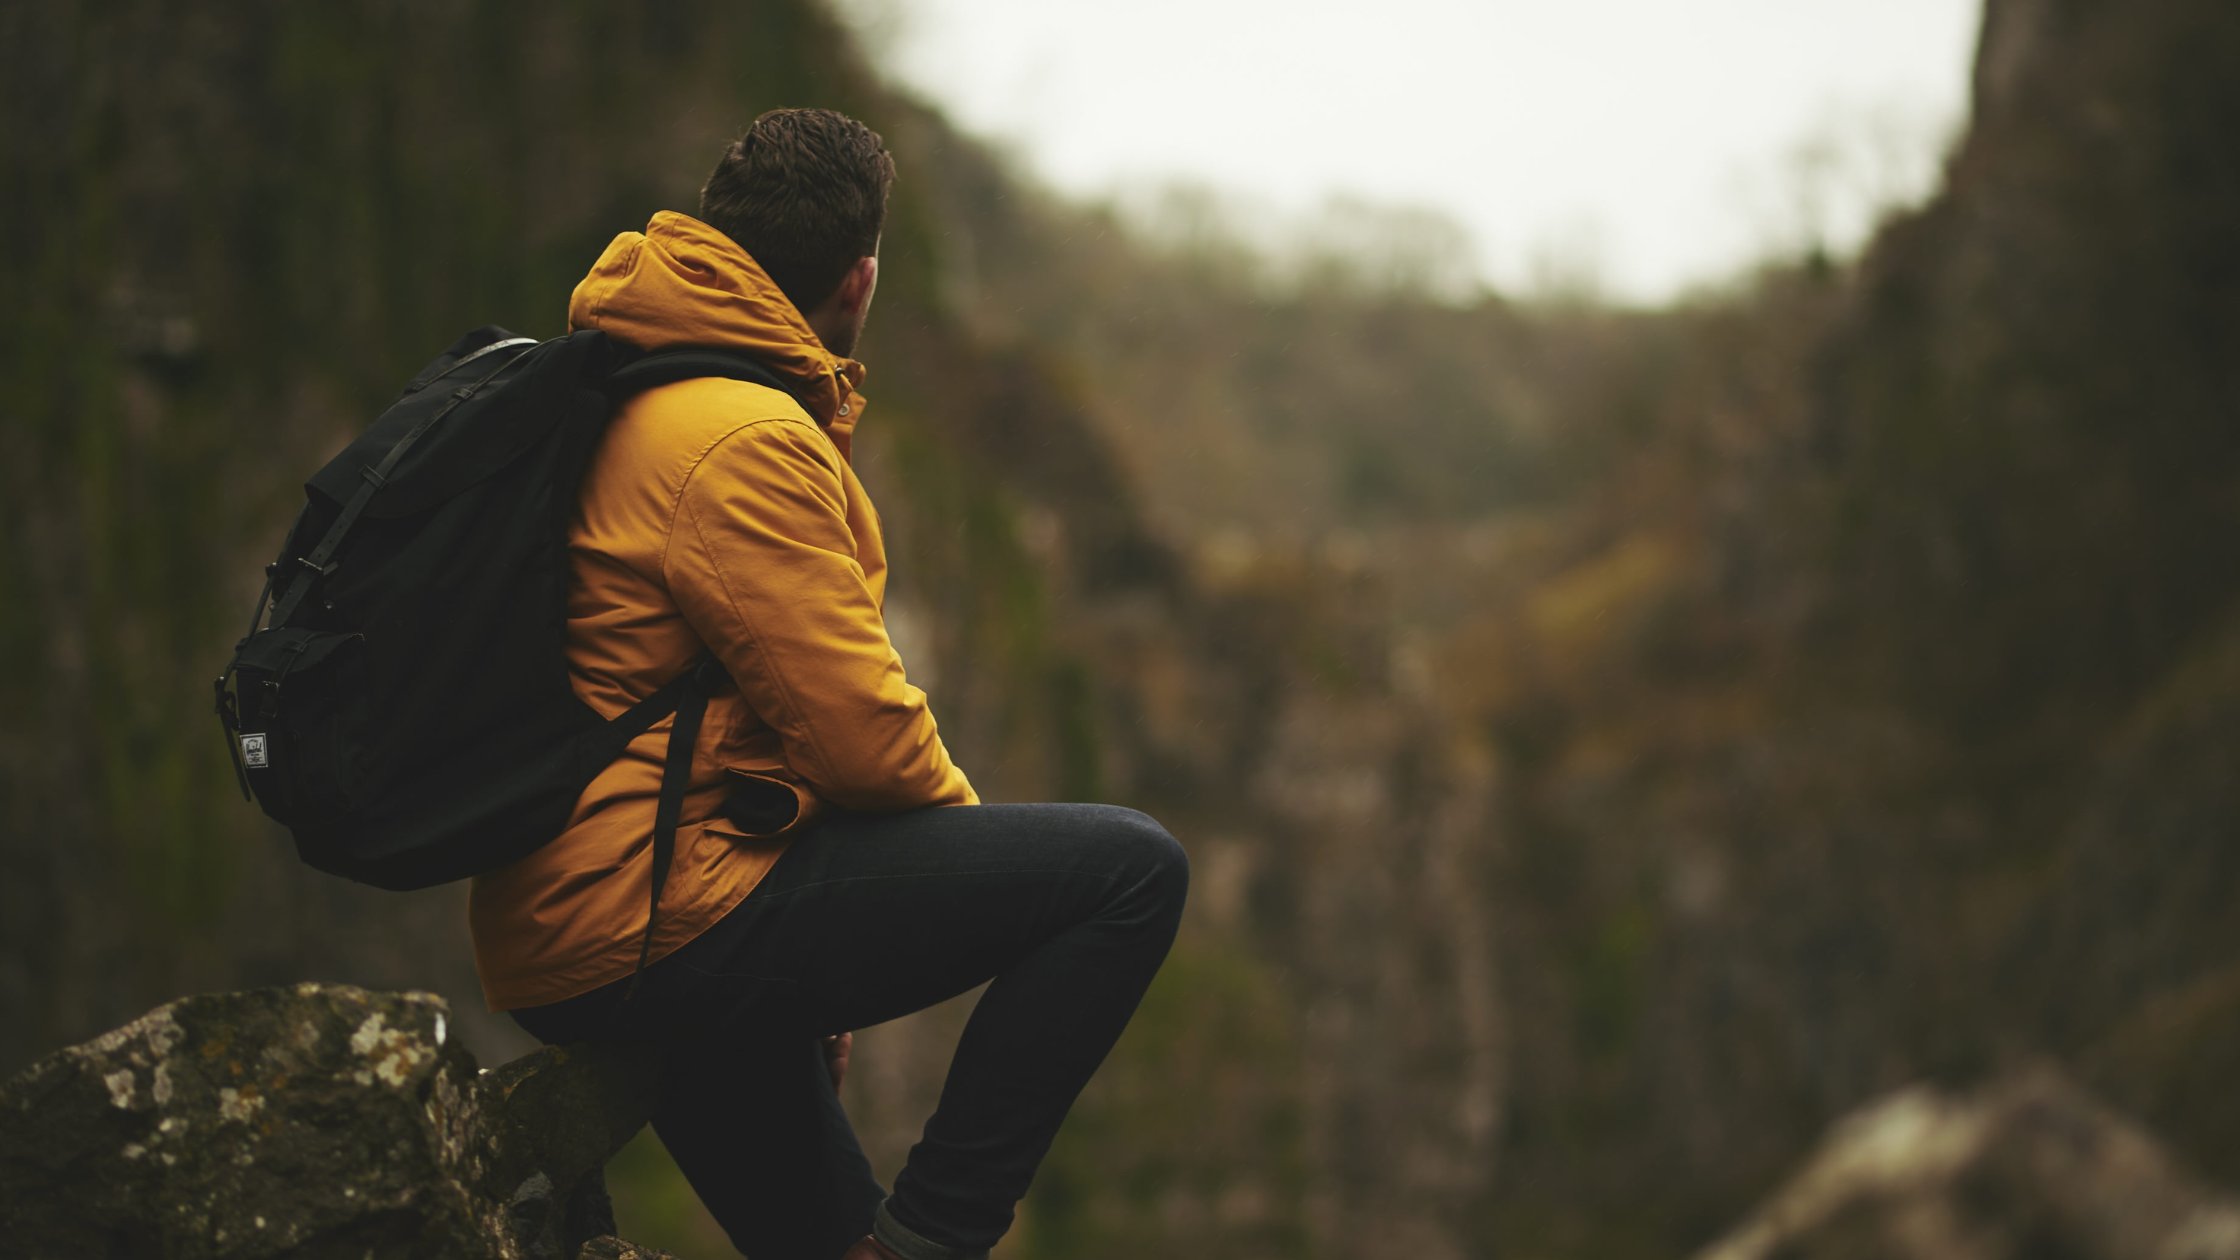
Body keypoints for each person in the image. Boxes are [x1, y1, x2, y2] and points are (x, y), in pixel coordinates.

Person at [468, 108, 1188, 1260]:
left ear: (716, 238)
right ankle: (943, 1238)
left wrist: (833, 970)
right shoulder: (738, 436)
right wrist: (947, 892)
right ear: (857, 282)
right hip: (654, 920)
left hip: (593, 915)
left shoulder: (627, 387)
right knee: (1129, 873)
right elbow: (860, 734)